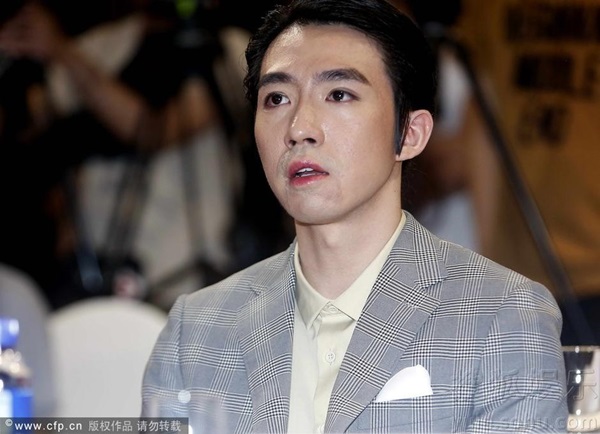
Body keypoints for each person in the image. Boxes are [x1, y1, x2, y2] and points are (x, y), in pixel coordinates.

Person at [142, 0, 568, 432]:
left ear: (410, 133)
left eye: (338, 94)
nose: (299, 127)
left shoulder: (502, 315)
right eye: (277, 98)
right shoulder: (194, 329)